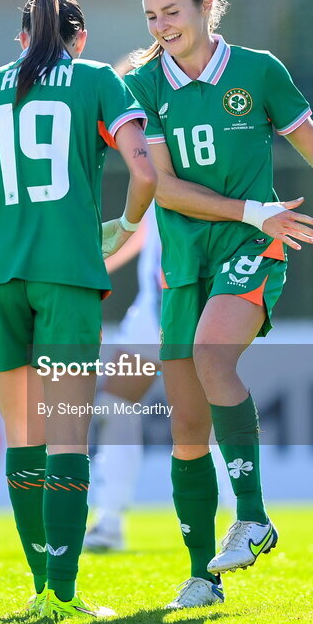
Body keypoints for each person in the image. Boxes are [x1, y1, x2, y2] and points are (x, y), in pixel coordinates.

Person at [124, 0, 313, 609]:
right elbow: (162, 185)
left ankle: (253, 516)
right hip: (187, 258)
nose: (163, 24)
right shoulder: (142, 85)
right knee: (188, 427)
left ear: (205, 4)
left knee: (212, 352)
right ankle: (202, 574)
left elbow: (312, 143)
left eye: (172, 10)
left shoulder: (259, 70)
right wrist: (253, 208)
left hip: (253, 244)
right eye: (151, 16)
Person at [0, 0, 156, 619]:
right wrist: (122, 226)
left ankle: (38, 587)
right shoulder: (96, 79)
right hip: (66, 274)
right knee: (67, 436)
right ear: (79, 36)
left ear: (21, 40)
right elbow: (145, 174)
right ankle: (60, 596)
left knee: (23, 436)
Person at [84, 205, 235, 552]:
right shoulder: (154, 162)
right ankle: (109, 522)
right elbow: (140, 230)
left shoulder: (186, 165)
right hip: (151, 310)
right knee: (115, 403)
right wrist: (88, 274)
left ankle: (242, 517)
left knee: (205, 420)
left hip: (191, 302)